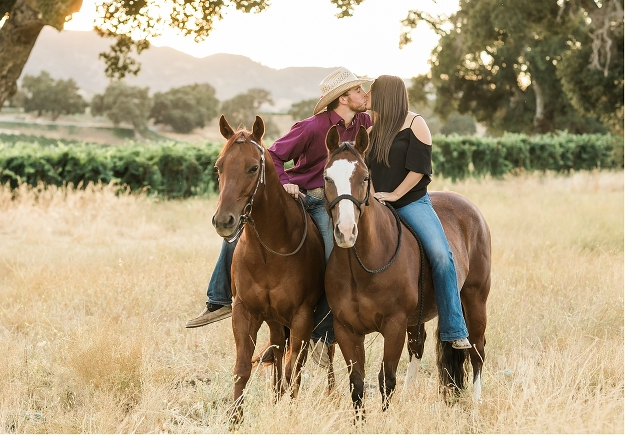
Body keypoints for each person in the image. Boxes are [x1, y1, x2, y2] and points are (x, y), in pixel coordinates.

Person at [185, 67, 373, 360]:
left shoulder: (363, 122)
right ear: (344, 99)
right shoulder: (310, 127)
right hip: (305, 199)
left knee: (334, 259)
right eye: (359, 90)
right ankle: (219, 299)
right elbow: (271, 155)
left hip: (338, 202)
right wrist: (286, 183)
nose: (365, 94)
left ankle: (323, 333)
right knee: (239, 235)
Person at [365, 75, 471, 350]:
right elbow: (366, 170)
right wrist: (376, 195)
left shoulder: (415, 123)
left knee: (441, 254)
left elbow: (420, 169)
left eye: (372, 91)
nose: (367, 95)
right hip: (378, 205)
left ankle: (454, 328)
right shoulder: (370, 130)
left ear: (386, 95)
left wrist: (395, 195)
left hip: (411, 203)